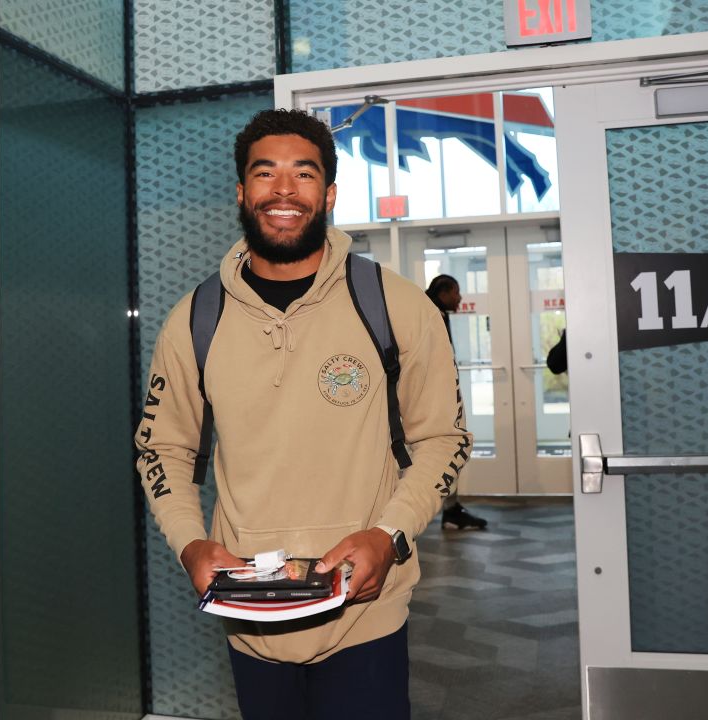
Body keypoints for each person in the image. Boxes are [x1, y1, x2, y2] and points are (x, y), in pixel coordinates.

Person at [134, 108, 472, 720]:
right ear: (241, 191)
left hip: (365, 615)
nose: (284, 190)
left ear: (331, 192)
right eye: (265, 174)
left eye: (304, 173)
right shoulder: (193, 320)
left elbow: (444, 440)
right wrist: (190, 545)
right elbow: (163, 449)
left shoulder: (393, 304)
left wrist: (387, 536)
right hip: (250, 617)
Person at [424, 275, 489, 530]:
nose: (460, 298)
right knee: (446, 448)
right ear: (444, 292)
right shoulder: (427, 312)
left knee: (452, 449)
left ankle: (451, 509)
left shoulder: (439, 312)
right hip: (430, 400)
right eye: (456, 291)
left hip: (441, 395)